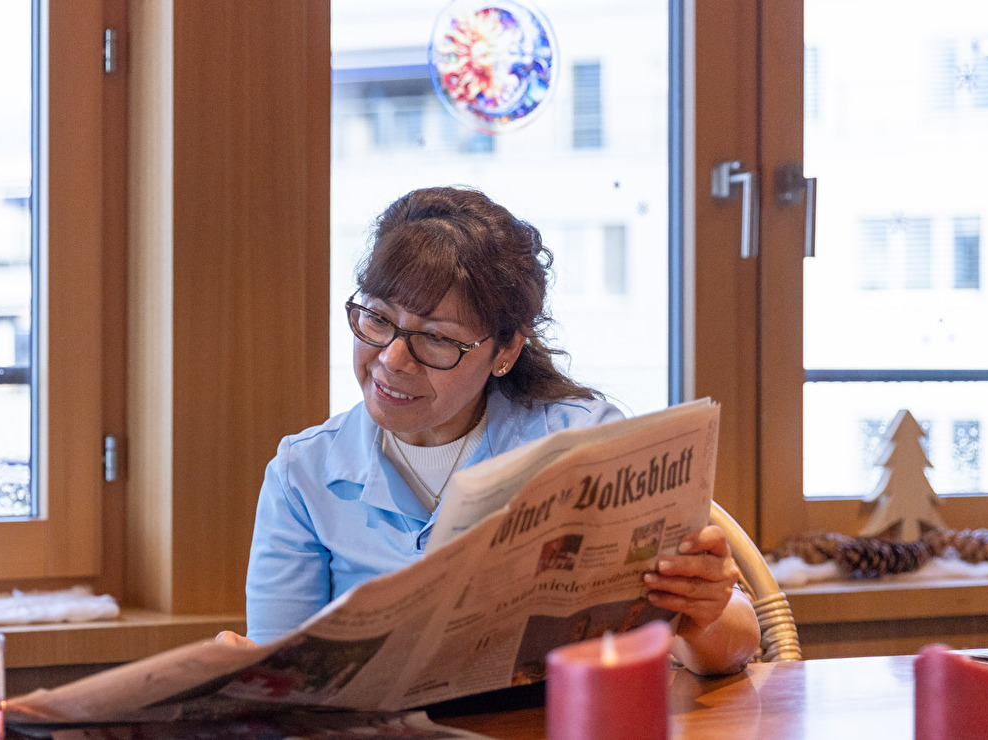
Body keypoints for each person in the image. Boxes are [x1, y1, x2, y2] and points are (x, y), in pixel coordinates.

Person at [232, 187, 759, 676]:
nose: (391, 360)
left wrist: (703, 612)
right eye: (377, 318)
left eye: (436, 339)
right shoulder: (304, 475)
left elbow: (736, 645)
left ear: (504, 351)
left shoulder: (581, 445)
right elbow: (283, 684)